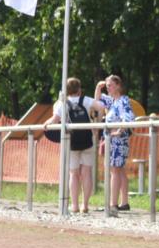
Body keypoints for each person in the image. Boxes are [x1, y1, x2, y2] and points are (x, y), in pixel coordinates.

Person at [45, 78, 106, 214]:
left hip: (71, 141)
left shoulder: (62, 103)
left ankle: (74, 205)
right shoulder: (85, 100)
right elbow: (101, 107)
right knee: (87, 172)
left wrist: (45, 124)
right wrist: (97, 125)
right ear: (79, 89)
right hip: (87, 139)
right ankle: (85, 205)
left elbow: (54, 119)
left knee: (73, 173)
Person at [94, 75, 135, 211]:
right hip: (112, 140)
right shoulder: (112, 101)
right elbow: (97, 101)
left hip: (118, 141)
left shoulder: (123, 100)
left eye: (110, 85)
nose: (108, 88)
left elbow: (128, 118)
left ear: (118, 85)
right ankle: (124, 203)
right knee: (119, 170)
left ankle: (113, 204)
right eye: (107, 86)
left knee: (114, 171)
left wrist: (119, 131)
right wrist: (98, 87)